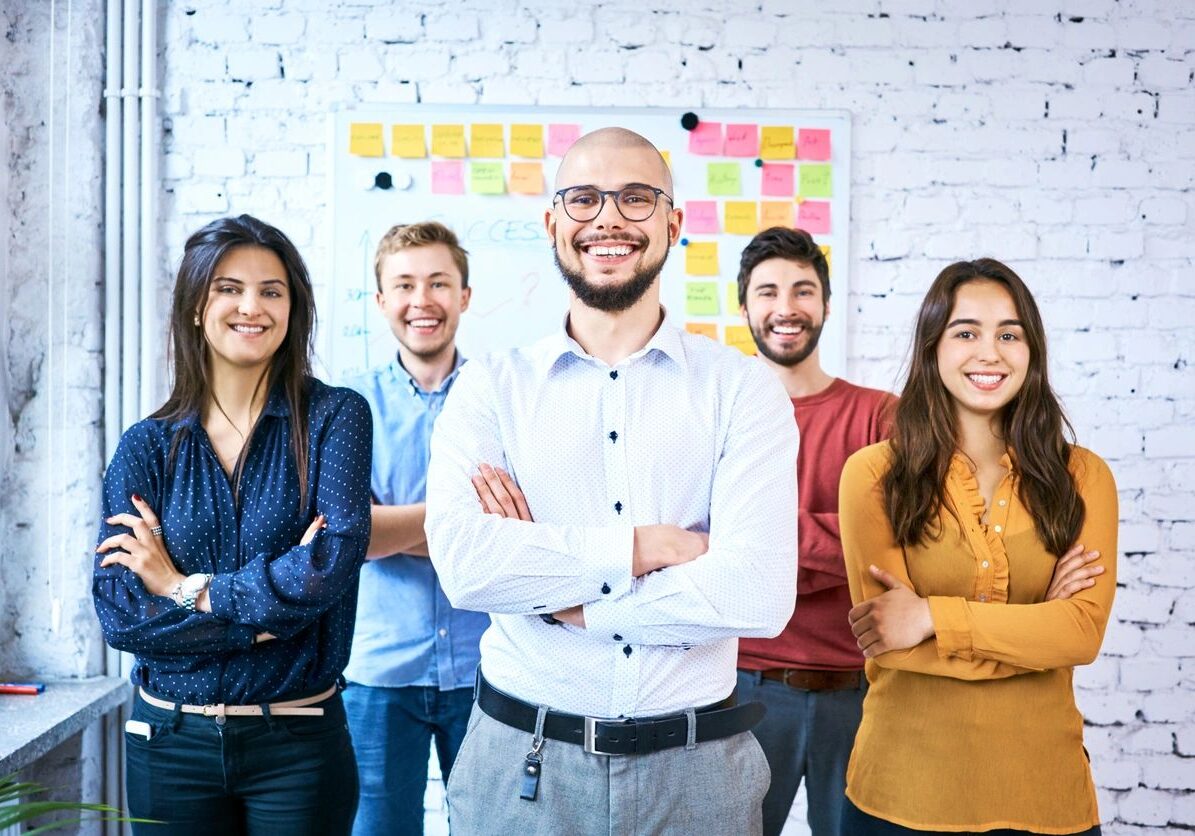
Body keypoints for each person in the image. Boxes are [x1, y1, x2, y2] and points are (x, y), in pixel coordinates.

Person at [423, 127, 797, 836]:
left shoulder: (741, 389)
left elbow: (756, 592)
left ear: (672, 224)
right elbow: (470, 570)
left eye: (634, 198)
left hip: (698, 774)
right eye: (584, 198)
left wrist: (572, 602)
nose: (608, 219)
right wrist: (644, 547)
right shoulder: (488, 390)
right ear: (553, 222)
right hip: (520, 767)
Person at [93, 214, 372, 835]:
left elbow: (329, 568)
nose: (252, 306)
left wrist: (181, 587)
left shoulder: (336, 418)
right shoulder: (146, 446)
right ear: (196, 306)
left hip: (297, 743)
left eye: (272, 290)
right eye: (229, 288)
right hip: (168, 741)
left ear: (293, 308)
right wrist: (275, 621)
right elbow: (120, 614)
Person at [838, 259, 1115, 834]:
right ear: (933, 346)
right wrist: (1036, 631)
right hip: (900, 793)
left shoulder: (1084, 477)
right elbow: (890, 642)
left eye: (1009, 334)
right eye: (966, 332)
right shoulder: (873, 474)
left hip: (1045, 793)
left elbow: (1080, 636)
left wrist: (932, 616)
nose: (989, 353)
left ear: (1031, 351)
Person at [732, 226, 894, 836]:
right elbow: (701, 544)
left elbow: (890, 545)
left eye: (803, 291)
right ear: (743, 305)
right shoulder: (716, 414)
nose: (786, 308)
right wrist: (832, 546)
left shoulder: (883, 415)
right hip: (742, 688)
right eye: (767, 291)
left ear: (826, 304)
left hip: (859, 690)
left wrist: (762, 544)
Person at [341, 221, 488, 836]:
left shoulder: (501, 399)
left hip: (488, 672)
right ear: (380, 302)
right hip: (378, 674)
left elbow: (519, 531)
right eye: (403, 284)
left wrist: (393, 526)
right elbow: (348, 537)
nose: (420, 300)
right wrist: (464, 525)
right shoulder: (348, 406)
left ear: (464, 296)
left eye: (437, 283)